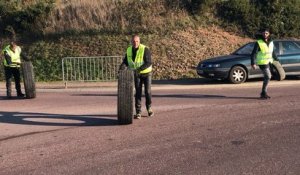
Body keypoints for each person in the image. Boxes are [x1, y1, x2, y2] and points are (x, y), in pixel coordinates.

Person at [119, 35, 154, 119]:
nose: (135, 43)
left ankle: (149, 108)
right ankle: (138, 112)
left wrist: (139, 69)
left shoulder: (145, 49)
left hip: (146, 73)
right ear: (131, 42)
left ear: (139, 41)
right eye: (134, 41)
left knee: (147, 92)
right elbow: (125, 62)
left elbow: (149, 62)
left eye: (137, 41)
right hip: (137, 75)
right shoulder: (129, 50)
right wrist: (121, 68)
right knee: (138, 92)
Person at [251, 29, 278, 99]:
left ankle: (263, 92)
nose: (265, 35)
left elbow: (272, 52)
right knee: (268, 76)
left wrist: (277, 60)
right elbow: (254, 53)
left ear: (269, 34)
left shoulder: (271, 42)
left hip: (269, 61)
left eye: (266, 33)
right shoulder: (259, 42)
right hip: (262, 62)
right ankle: (263, 92)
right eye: (263, 33)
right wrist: (253, 63)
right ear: (261, 34)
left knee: (268, 77)